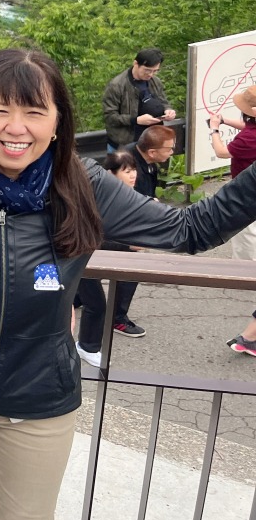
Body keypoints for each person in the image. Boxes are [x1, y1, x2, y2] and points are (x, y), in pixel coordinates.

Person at [0, 48, 256, 520]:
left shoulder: (83, 185)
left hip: (41, 398)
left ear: (58, 120)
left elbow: (191, 229)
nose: (16, 127)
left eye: (34, 111)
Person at [76, 123, 177, 358]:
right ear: (111, 175)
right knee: (98, 302)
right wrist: (129, 244)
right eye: (126, 171)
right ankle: (109, 326)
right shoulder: (99, 198)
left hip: (95, 253)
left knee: (95, 292)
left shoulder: (143, 174)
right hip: (84, 253)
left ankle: (82, 308)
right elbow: (92, 237)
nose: (133, 175)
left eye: (133, 170)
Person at [207, 85, 256, 354]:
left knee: (247, 239)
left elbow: (222, 152)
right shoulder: (250, 131)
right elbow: (248, 127)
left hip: (246, 194)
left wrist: (214, 130)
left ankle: (247, 275)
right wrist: (225, 120)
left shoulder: (248, 139)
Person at [102, 48, 177, 150]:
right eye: (147, 70)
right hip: (125, 143)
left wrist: (168, 110)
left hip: (151, 141)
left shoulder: (155, 81)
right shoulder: (117, 86)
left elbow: (163, 101)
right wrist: (136, 120)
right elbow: (110, 117)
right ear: (136, 64)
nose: (150, 74)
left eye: (155, 71)